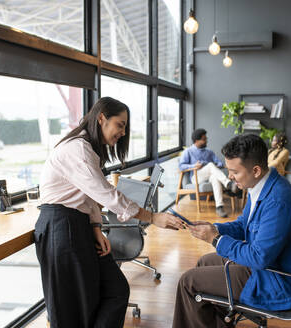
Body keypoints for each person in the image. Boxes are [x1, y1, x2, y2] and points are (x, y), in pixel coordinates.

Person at [35, 97, 185, 328]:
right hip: (61, 226)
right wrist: (153, 217)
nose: (123, 132)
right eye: (120, 124)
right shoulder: (77, 149)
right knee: (72, 309)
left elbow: (89, 196)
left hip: (76, 224)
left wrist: (95, 227)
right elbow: (105, 194)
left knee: (114, 290)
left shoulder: (87, 149)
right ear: (102, 118)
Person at [172, 134, 291, 328]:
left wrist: (216, 240)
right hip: (266, 268)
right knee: (204, 262)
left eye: (234, 172)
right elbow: (243, 224)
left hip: (274, 280)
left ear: (255, 170)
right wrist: (214, 228)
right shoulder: (261, 185)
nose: (229, 177)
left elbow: (259, 257)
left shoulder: (278, 202)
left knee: (188, 282)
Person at [179, 128, 238, 218]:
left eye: (206, 138)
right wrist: (194, 166)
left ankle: (219, 207)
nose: (206, 141)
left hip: (209, 175)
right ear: (196, 141)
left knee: (215, 178)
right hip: (196, 177)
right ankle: (228, 184)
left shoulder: (209, 152)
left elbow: (220, 163)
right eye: (204, 139)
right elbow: (181, 166)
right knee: (210, 165)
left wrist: (215, 165)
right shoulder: (188, 151)